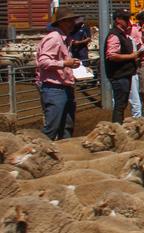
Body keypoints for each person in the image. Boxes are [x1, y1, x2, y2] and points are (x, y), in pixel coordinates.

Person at [35, 6, 80, 140]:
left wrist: (71, 65)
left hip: (63, 86)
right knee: (52, 127)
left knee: (66, 126)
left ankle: (64, 154)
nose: (72, 23)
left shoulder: (65, 40)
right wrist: (65, 63)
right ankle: (41, 155)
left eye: (73, 20)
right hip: (54, 87)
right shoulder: (54, 38)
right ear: (60, 22)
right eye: (68, 21)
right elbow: (43, 62)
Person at [105, 9, 142, 124]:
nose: (128, 21)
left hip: (124, 74)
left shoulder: (122, 35)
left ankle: (117, 126)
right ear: (118, 20)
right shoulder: (115, 35)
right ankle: (116, 127)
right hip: (119, 75)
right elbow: (111, 55)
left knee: (122, 103)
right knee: (120, 104)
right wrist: (131, 56)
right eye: (125, 19)